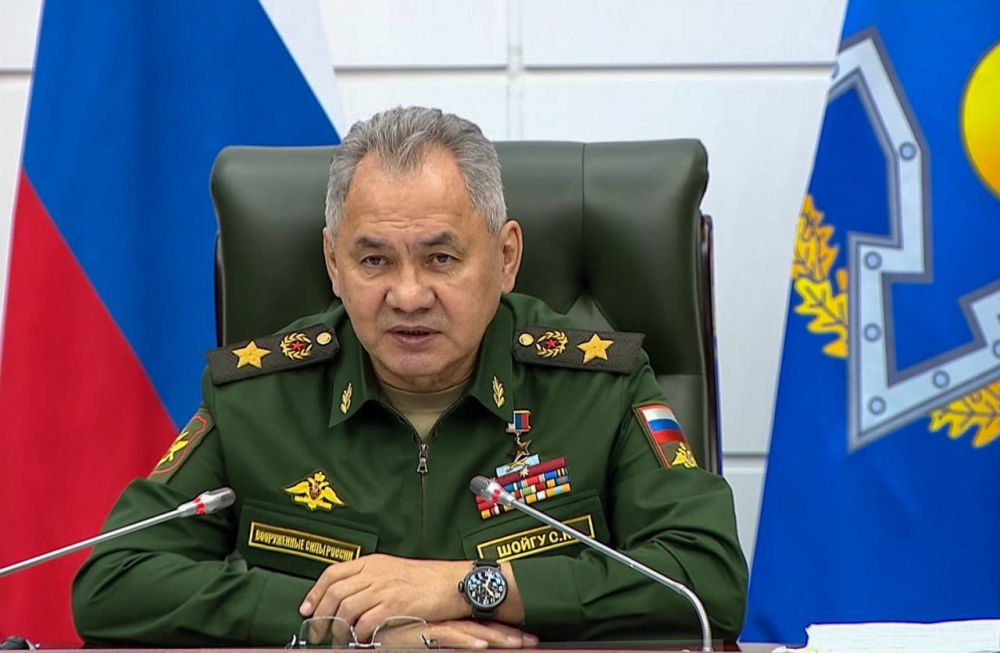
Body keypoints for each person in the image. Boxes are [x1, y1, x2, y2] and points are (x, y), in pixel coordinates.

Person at [72, 106, 748, 648]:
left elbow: (707, 577)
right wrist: (346, 624)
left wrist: (470, 586)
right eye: (374, 261)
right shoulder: (257, 397)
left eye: (441, 258)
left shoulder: (598, 383)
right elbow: (112, 581)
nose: (408, 295)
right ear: (333, 264)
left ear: (506, 257)